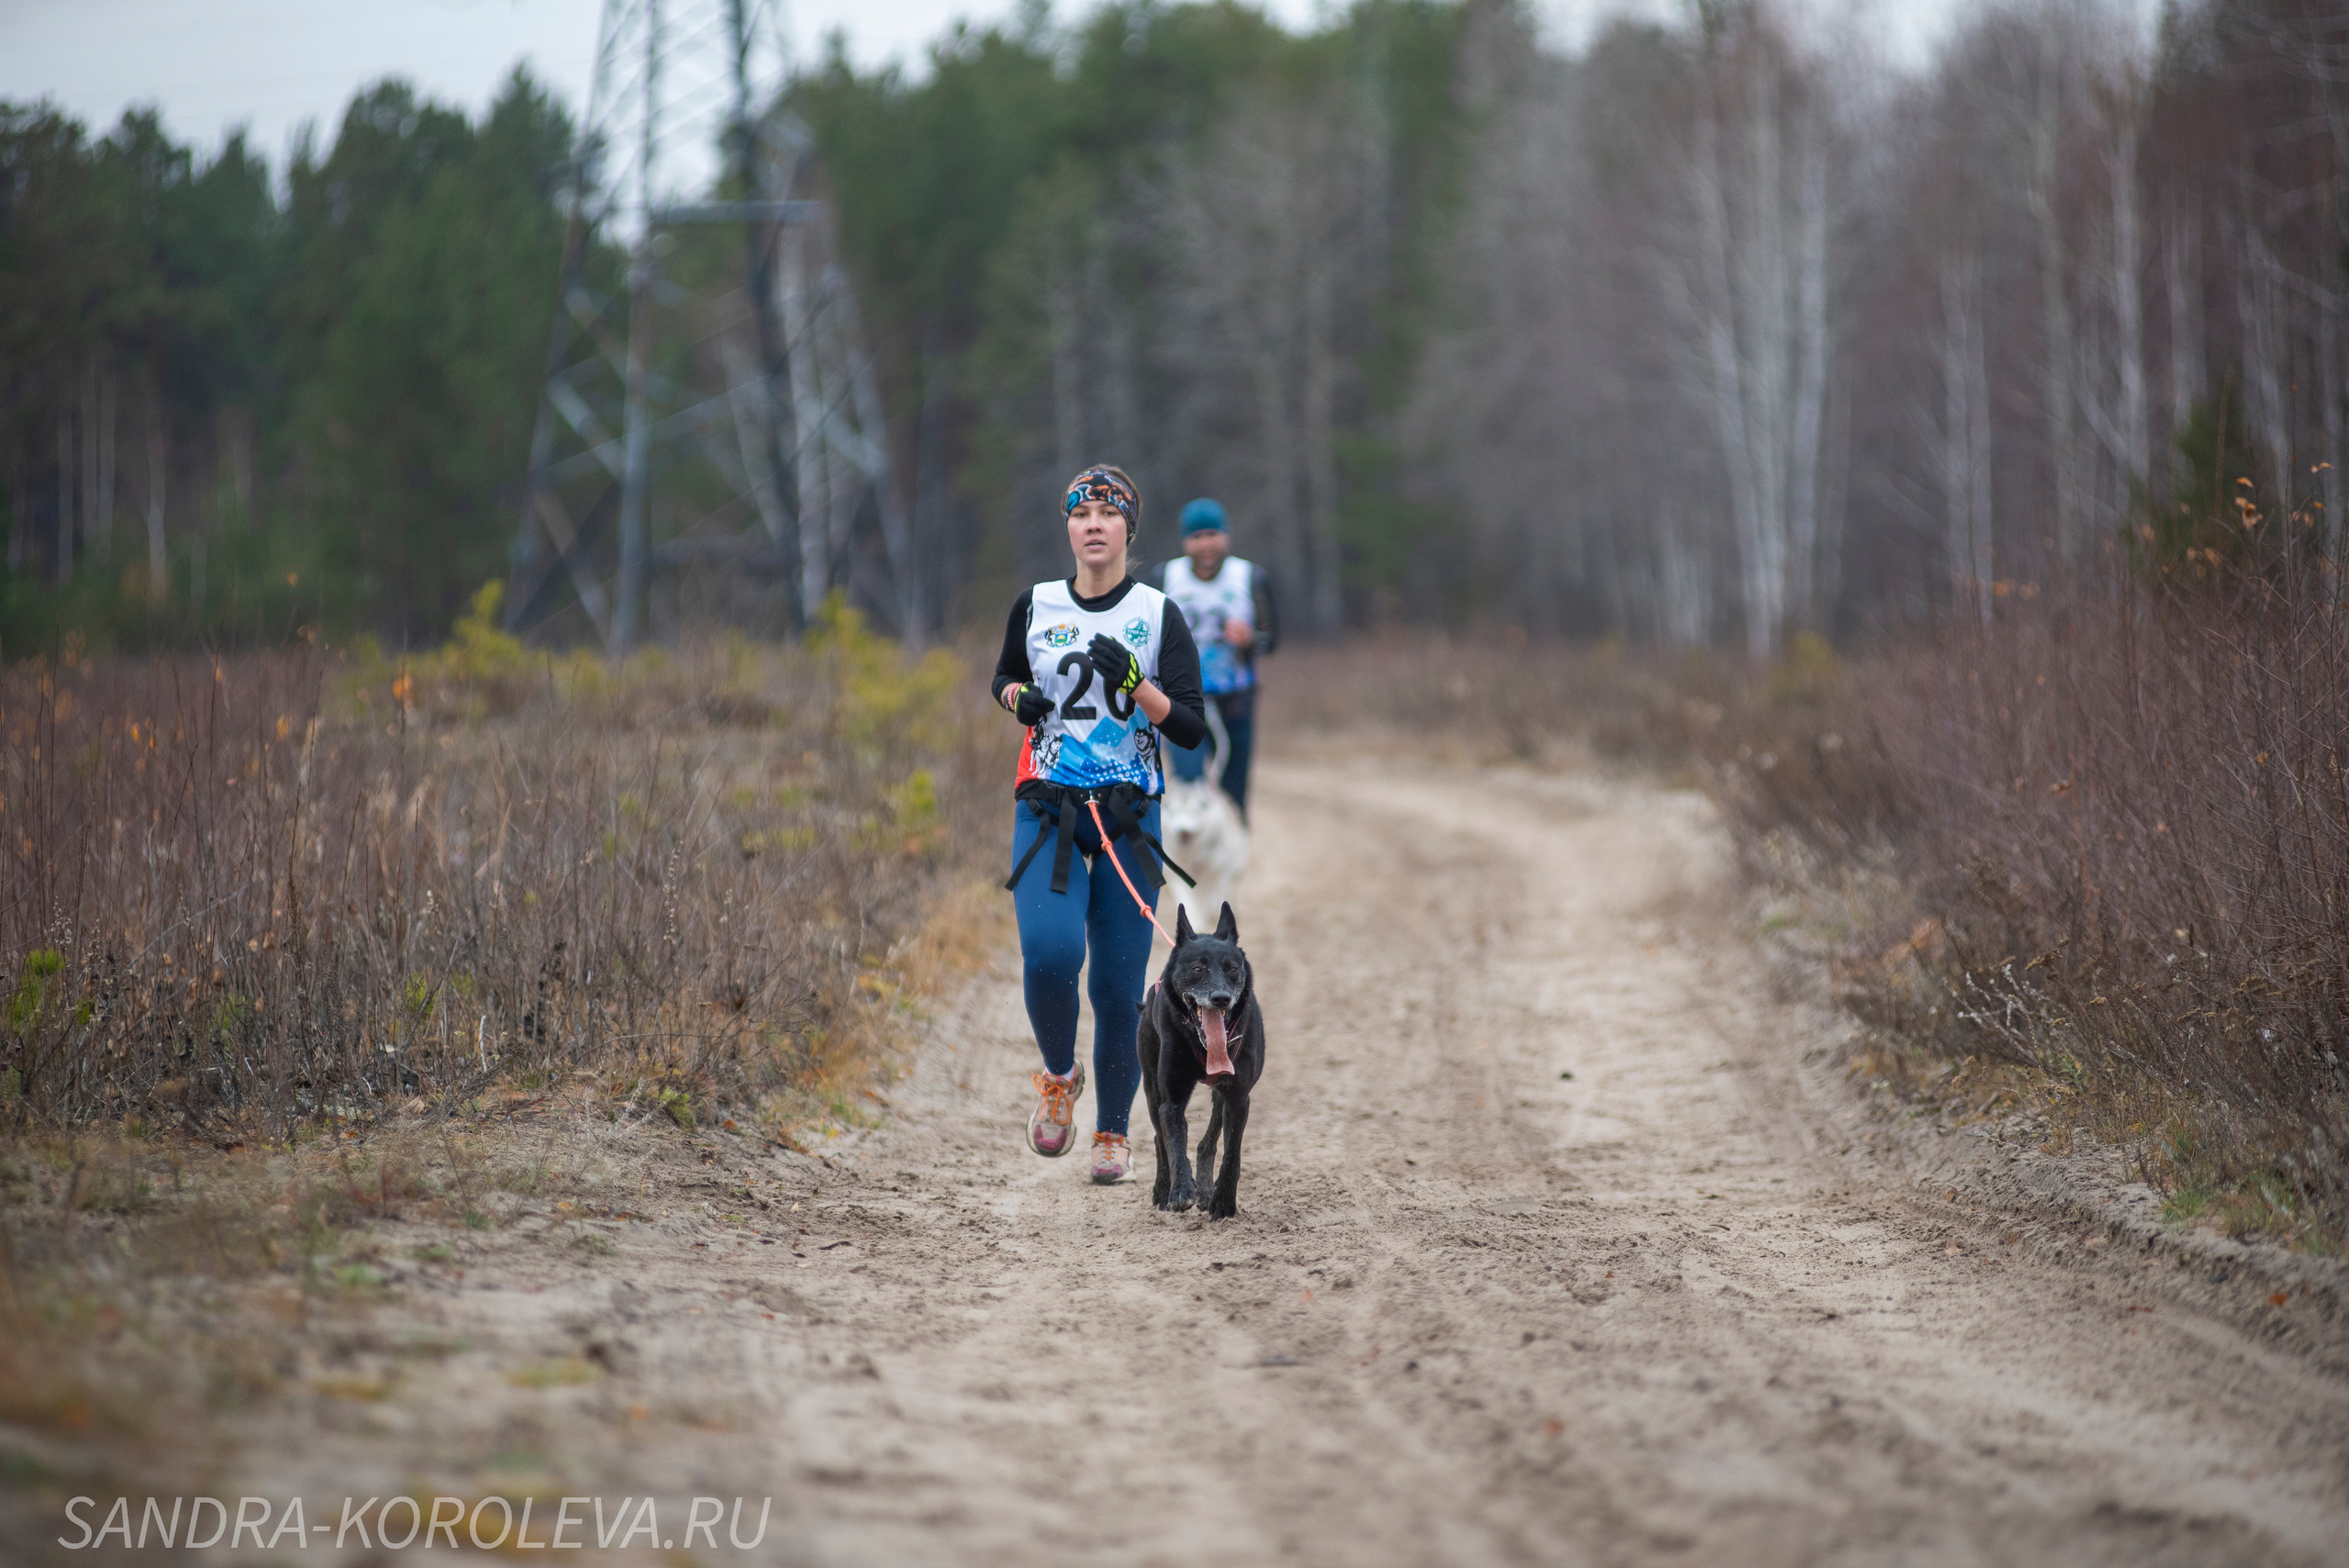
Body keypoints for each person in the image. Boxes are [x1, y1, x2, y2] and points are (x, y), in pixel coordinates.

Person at [993, 465, 1207, 1184]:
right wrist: (1016, 697)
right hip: (1048, 807)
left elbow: (1190, 729)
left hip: (1127, 817)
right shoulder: (1036, 604)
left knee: (1120, 987)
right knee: (1050, 954)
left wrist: (1136, 687)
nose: (1093, 524)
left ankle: (1113, 1131)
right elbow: (1004, 678)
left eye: (1107, 514)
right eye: (1080, 513)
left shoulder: (1157, 613)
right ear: (1068, 528)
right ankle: (1059, 1075)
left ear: (1128, 531)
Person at [1155, 497, 1277, 816]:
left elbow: (1272, 640)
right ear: (1185, 541)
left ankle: (1232, 862)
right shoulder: (1163, 578)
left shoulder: (1251, 578)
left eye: (1213, 534)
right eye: (1197, 537)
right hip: (1182, 701)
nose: (1206, 544)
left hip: (1235, 699)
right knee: (1188, 789)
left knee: (1233, 794)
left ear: (1226, 537)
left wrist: (1251, 640)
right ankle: (1191, 864)